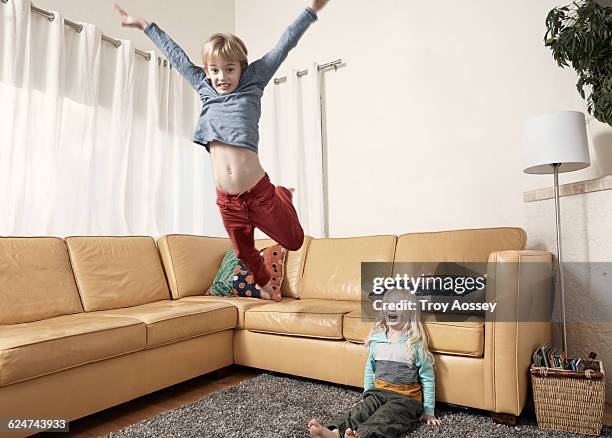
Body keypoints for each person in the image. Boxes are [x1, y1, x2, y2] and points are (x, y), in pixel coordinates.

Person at [115, 1, 330, 299]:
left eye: (229, 69)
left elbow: (285, 43)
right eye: (214, 71)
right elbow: (176, 56)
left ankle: (283, 194)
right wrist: (144, 25)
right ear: (207, 71)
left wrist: (311, 10)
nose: (222, 77)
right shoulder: (205, 89)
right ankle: (264, 282)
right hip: (227, 200)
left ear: (242, 67)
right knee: (244, 251)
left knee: (294, 241)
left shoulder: (254, 81)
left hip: (259, 193)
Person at [308, 288, 442, 438]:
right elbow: (370, 370)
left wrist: (429, 411)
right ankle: (334, 432)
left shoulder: (415, 344)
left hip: (406, 400)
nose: (392, 308)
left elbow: (427, 378)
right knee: (360, 411)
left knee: (385, 418)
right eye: (388, 305)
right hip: (378, 393)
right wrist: (367, 395)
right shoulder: (376, 340)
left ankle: (362, 435)